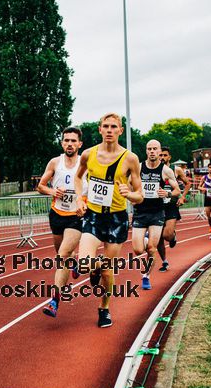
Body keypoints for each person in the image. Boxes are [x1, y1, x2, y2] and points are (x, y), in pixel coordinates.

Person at [74, 112, 142, 328]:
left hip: (117, 218)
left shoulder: (130, 158)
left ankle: (104, 308)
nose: (110, 130)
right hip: (93, 215)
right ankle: (91, 268)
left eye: (114, 126)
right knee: (84, 265)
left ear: (120, 130)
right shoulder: (88, 154)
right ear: (100, 129)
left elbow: (139, 194)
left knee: (108, 270)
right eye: (106, 126)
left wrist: (128, 193)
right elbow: (78, 177)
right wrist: (79, 198)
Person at [37, 126, 86, 318]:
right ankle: (74, 265)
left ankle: (54, 301)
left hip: (77, 215)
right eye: (66, 140)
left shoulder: (86, 163)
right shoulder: (55, 162)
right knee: (62, 256)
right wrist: (52, 191)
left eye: (73, 141)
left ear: (80, 144)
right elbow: (40, 185)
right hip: (57, 214)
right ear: (62, 143)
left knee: (63, 255)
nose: (70, 144)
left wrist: (84, 202)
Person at [131, 140, 179, 290]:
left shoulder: (166, 171)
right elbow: (127, 184)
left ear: (159, 152)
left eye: (155, 149)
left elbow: (177, 190)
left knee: (152, 248)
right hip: (140, 212)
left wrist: (168, 193)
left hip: (157, 213)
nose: (152, 151)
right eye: (149, 149)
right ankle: (146, 242)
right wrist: (133, 195)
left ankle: (146, 276)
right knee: (138, 250)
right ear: (146, 151)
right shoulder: (138, 167)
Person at [156, 147, 190, 272]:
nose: (162, 158)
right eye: (160, 155)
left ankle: (172, 236)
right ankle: (164, 261)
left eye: (165, 155)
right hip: (157, 207)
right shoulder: (153, 170)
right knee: (158, 238)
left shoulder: (176, 170)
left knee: (167, 234)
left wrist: (182, 197)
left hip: (171, 206)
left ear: (169, 157)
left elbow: (188, 183)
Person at [198, 162, 211, 240]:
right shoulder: (204, 177)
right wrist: (204, 189)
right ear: (208, 168)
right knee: (209, 218)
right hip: (207, 199)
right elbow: (199, 187)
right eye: (209, 167)